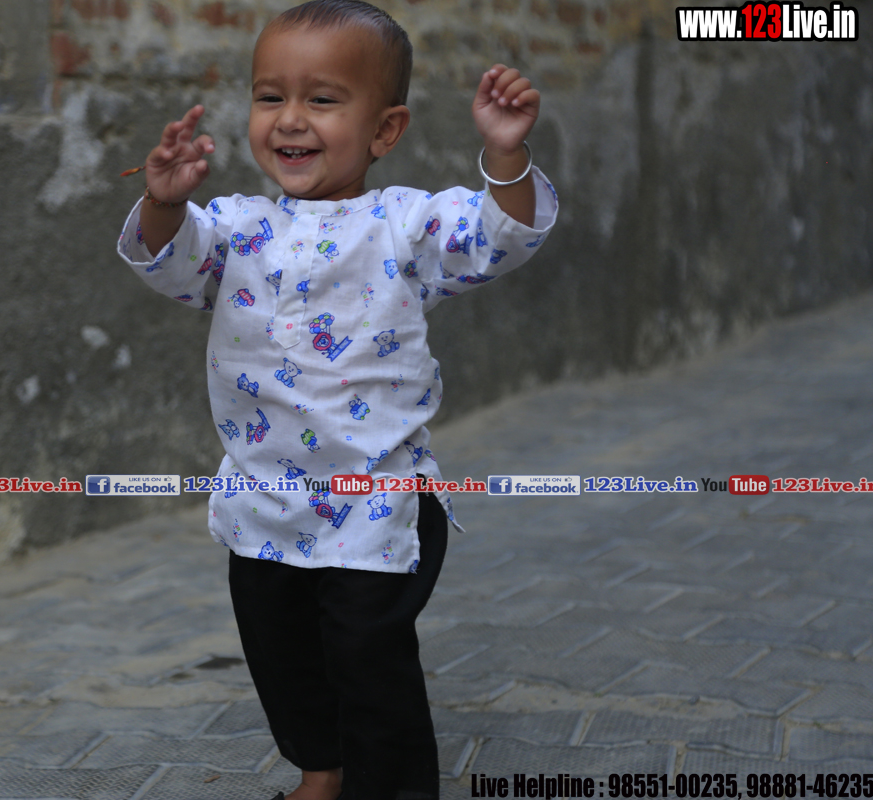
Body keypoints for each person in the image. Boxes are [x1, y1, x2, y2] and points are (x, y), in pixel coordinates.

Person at [115, 2, 557, 797]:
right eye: (270, 96)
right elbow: (171, 263)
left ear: (386, 130)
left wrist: (506, 157)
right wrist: (166, 203)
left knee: (365, 657)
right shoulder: (236, 226)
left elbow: (498, 238)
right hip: (262, 498)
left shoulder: (404, 223)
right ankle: (323, 771)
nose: (291, 119)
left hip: (375, 501)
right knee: (282, 655)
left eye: (321, 99)